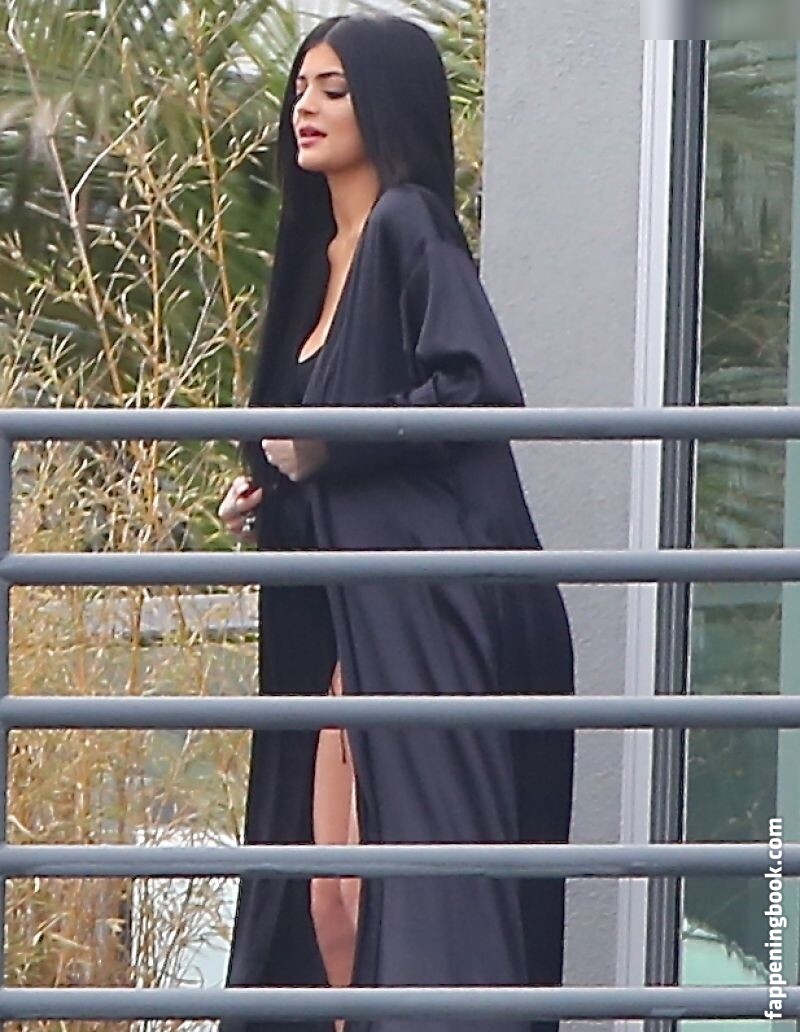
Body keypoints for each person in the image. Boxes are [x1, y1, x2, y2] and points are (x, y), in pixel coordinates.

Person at [216, 13, 575, 1032]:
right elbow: (320, 434)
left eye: (333, 90)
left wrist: (330, 449)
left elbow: (474, 389)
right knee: (325, 893)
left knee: (395, 893)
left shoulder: (409, 225)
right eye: (300, 88)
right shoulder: (316, 252)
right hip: (346, 610)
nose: (307, 107)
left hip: (430, 609)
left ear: (384, 103)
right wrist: (274, 488)